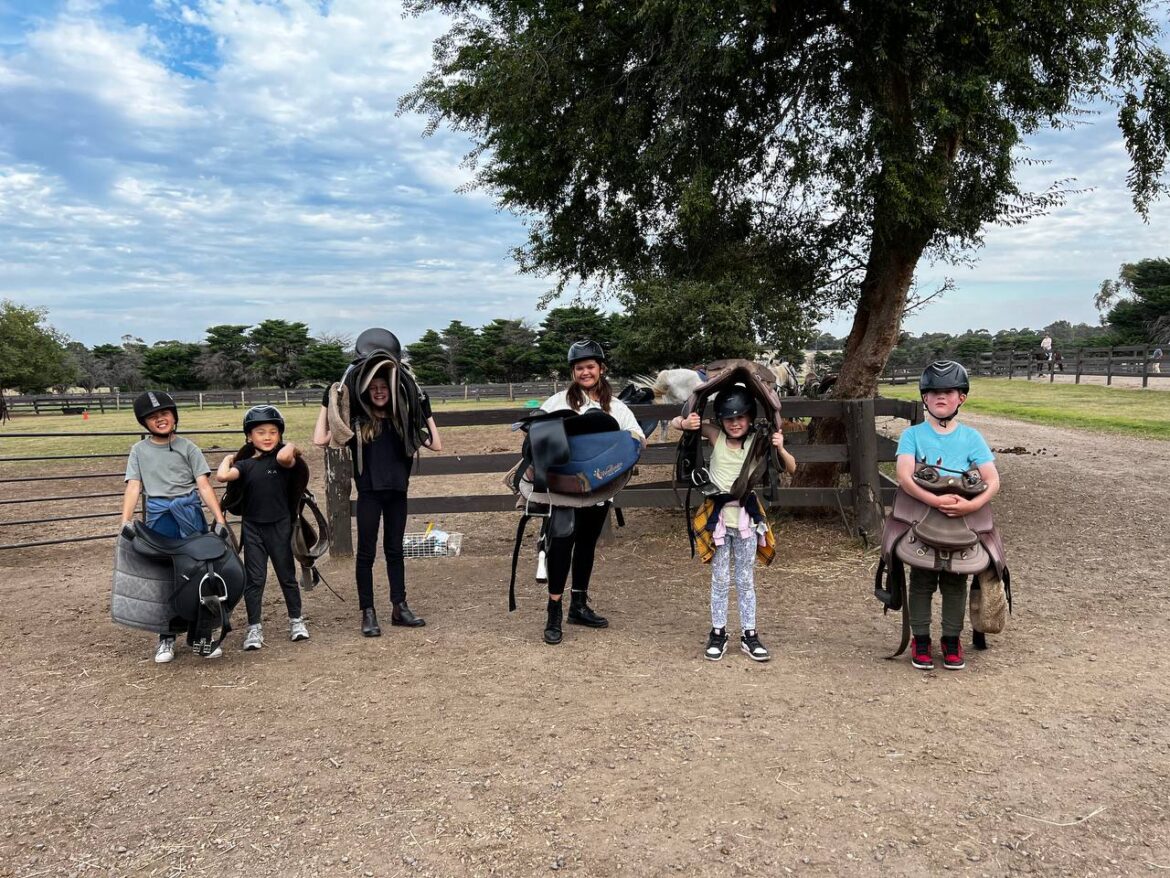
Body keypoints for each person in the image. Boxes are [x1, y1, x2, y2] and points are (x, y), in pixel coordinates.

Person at [313, 349, 442, 636]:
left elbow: (436, 444)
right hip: (370, 494)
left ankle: (400, 606)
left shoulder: (403, 422)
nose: (379, 392)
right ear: (365, 392)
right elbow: (319, 439)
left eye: (384, 387)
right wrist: (327, 404)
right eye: (373, 388)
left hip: (397, 494)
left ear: (392, 390)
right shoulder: (357, 425)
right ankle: (368, 612)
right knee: (366, 554)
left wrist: (426, 410)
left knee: (395, 551)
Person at [670, 386, 795, 662]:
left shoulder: (758, 442)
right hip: (718, 519)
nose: (735, 423)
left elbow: (791, 467)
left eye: (741, 417)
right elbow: (675, 424)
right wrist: (684, 422)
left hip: (746, 519)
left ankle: (750, 633)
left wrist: (780, 447)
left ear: (750, 418)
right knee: (720, 578)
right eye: (729, 418)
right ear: (720, 420)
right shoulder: (715, 435)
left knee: (745, 578)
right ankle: (718, 631)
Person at [536, 340, 646, 645]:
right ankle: (554, 610)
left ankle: (579, 605)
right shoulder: (558, 402)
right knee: (561, 545)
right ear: (573, 371)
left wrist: (624, 449)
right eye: (579, 368)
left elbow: (637, 436)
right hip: (565, 488)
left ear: (601, 369)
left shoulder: (616, 407)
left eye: (590, 366)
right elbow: (536, 432)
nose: (585, 372)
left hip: (599, 486)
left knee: (586, 545)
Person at [895, 361, 1000, 671]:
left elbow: (992, 480)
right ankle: (922, 639)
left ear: (961, 398)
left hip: (960, 520)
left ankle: (951, 639)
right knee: (922, 578)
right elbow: (904, 476)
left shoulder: (972, 438)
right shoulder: (912, 435)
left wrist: (969, 507)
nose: (941, 397)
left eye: (949, 392)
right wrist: (935, 499)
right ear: (925, 398)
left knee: (956, 580)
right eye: (934, 392)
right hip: (924, 516)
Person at [121, 390, 227, 663]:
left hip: (189, 512)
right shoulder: (139, 451)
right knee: (164, 575)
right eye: (153, 417)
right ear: (144, 423)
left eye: (165, 414)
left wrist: (220, 519)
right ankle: (165, 637)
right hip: (159, 516)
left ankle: (200, 634)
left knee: (198, 572)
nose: (160, 419)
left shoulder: (188, 448)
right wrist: (125, 520)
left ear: (174, 416)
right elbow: (134, 485)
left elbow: (203, 484)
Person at [216, 405, 308, 650]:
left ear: (280, 435)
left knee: (286, 576)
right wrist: (227, 459)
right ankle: (254, 627)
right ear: (249, 437)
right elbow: (222, 477)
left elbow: (287, 456)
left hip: (279, 527)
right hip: (253, 529)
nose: (267, 437)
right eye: (260, 432)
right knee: (255, 580)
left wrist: (290, 446)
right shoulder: (245, 466)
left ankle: (296, 621)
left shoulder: (284, 462)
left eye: (273, 432)